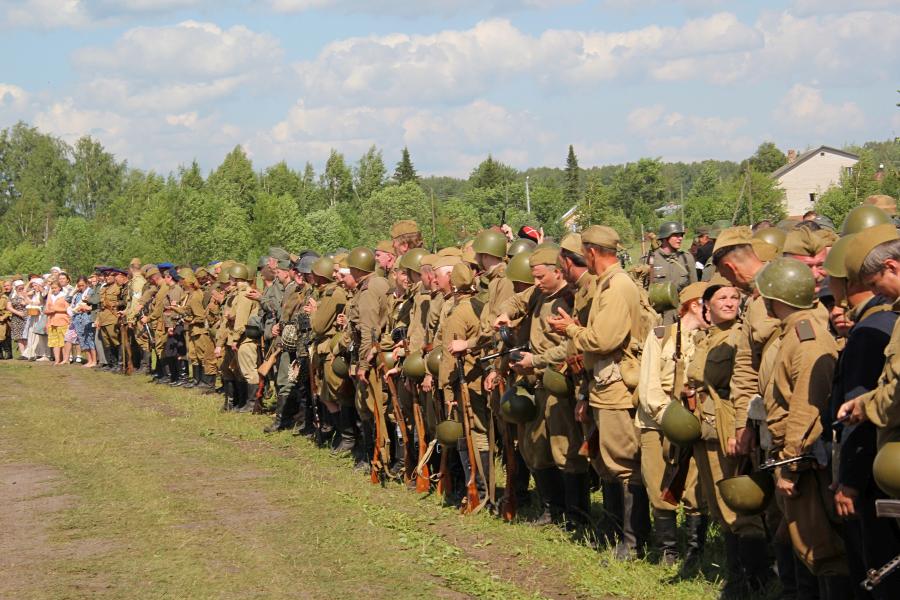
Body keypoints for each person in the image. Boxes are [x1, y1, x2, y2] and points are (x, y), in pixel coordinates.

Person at [71, 276, 97, 368]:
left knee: (90, 339)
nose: (81, 287)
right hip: (78, 319)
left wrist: (85, 307)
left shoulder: (91, 292)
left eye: (82, 285)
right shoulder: (77, 294)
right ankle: (89, 360)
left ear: (87, 283)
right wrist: (74, 290)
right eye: (79, 285)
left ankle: (94, 360)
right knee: (83, 340)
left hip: (88, 318)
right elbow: (67, 299)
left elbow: (94, 305)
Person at [44, 279, 71, 366]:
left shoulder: (64, 296)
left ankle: (65, 359)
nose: (53, 289)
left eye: (55, 288)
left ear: (60, 288)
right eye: (52, 288)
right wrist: (47, 322)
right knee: (54, 341)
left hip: (63, 320)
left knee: (63, 341)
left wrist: (56, 310)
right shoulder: (50, 297)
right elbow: (46, 309)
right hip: (52, 321)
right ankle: (57, 360)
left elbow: (68, 309)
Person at [8, 279, 28, 357]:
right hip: (16, 318)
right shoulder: (12, 295)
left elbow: (29, 302)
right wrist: (18, 313)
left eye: (22, 287)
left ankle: (28, 352)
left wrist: (25, 300)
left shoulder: (26, 293)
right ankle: (23, 353)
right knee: (19, 336)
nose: (21, 288)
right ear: (15, 287)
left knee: (26, 335)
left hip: (27, 316)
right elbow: (9, 306)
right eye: (19, 287)